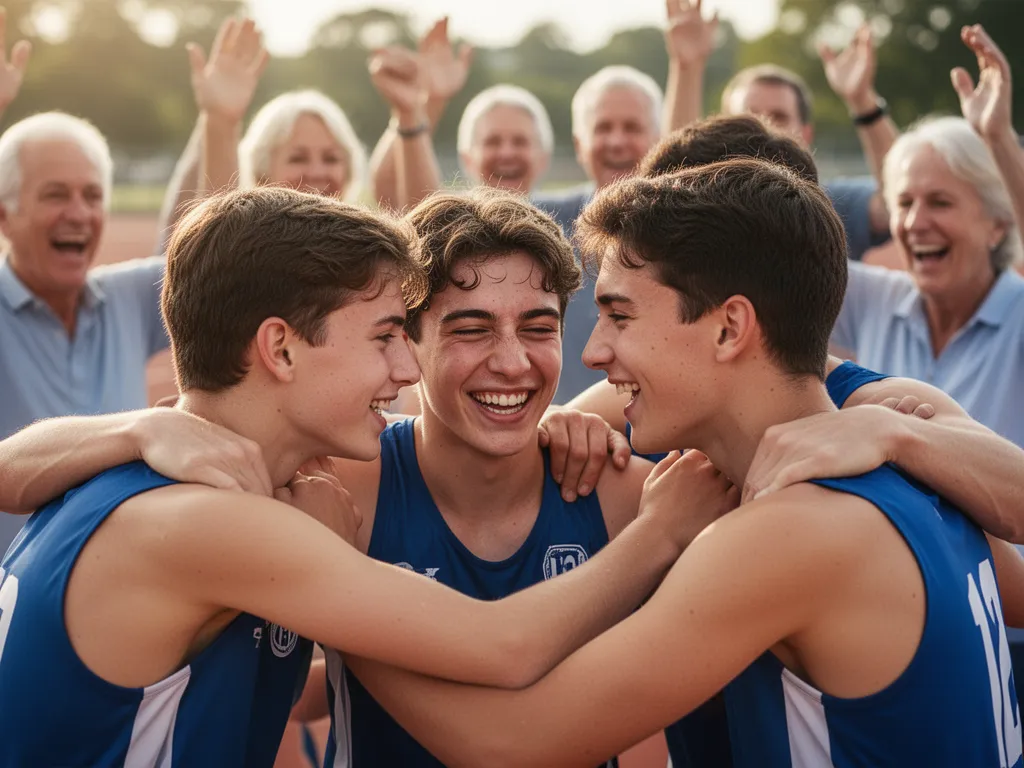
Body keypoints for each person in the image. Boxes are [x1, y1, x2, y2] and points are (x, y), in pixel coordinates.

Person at [346, 157, 1024, 768]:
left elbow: (511, 742)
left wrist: (334, 600)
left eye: (618, 316)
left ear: (730, 328)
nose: (595, 351)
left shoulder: (788, 531)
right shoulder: (920, 458)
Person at [0, 186, 707, 767]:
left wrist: (133, 426)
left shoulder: (191, 478)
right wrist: (662, 534)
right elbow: (504, 650)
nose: (402, 371)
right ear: (279, 346)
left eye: (538, 327)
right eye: (385, 337)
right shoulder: (229, 519)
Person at [566, 109, 1024, 768]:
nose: (599, 347)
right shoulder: (663, 400)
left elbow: (1002, 573)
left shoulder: (879, 412)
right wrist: (563, 430)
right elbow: (559, 425)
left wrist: (894, 433)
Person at [0, 9, 170, 550]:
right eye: (55, 194)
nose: (78, 212)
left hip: (114, 604)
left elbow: (214, 259)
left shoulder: (127, 299)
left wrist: (219, 120)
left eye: (92, 195)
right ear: (4, 214)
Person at [671, 5, 895, 261]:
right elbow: (672, 179)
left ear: (806, 134)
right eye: (750, 117)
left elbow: (897, 202)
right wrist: (687, 68)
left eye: (779, 117)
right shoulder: (701, 209)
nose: (764, 129)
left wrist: (862, 101)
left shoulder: (834, 207)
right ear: (723, 130)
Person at [157, 16, 367, 249]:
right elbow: (213, 243)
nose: (316, 172)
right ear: (261, 173)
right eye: (297, 158)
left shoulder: (370, 253)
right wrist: (221, 121)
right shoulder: (246, 256)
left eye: (331, 158)